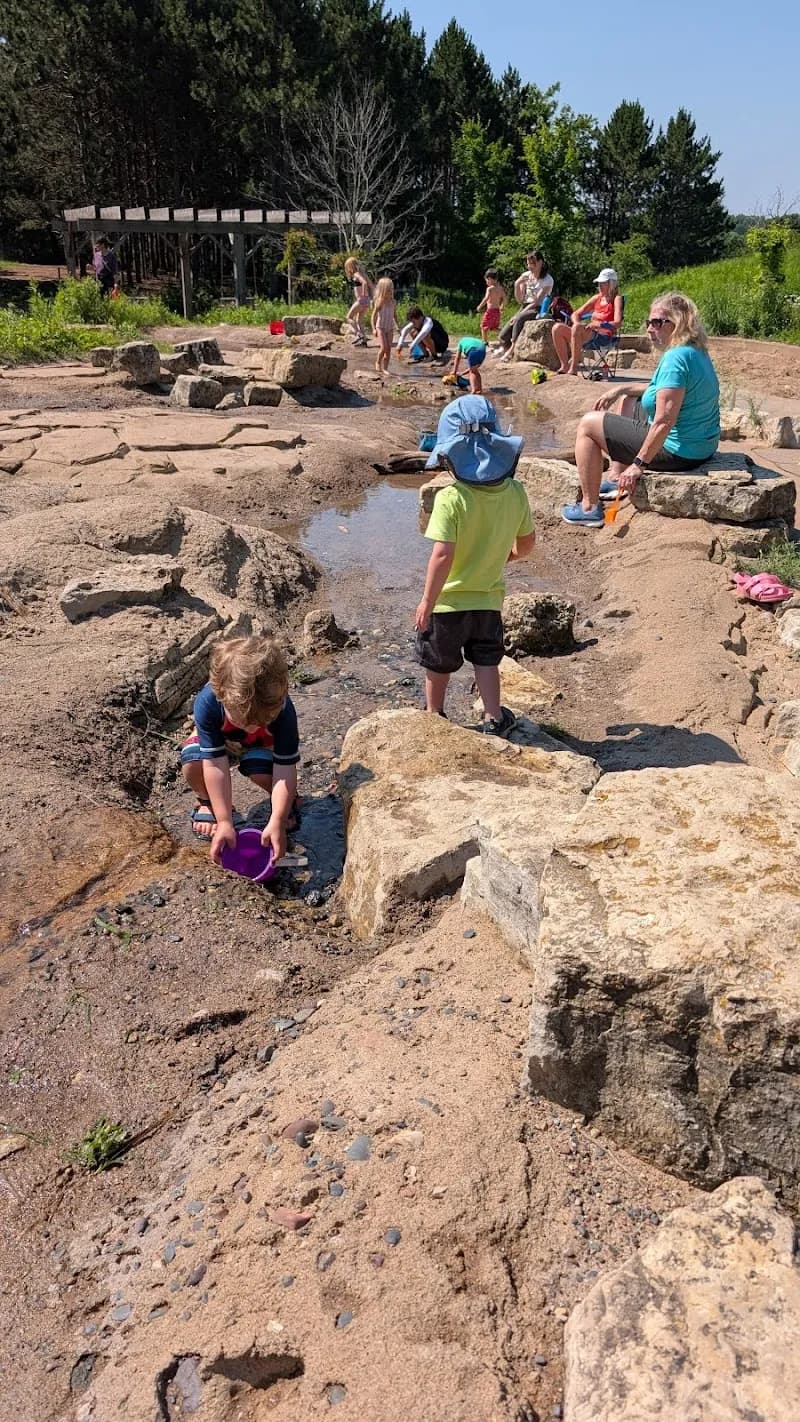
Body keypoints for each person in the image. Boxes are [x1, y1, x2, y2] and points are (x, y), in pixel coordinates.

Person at [414, 394, 535, 736]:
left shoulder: (451, 498)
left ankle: (435, 714)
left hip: (448, 603)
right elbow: (526, 545)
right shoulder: (516, 492)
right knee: (486, 660)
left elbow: (442, 556)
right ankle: (494, 717)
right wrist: (501, 557)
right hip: (488, 600)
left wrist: (427, 600)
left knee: (438, 663)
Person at [562, 291, 721, 526]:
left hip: (678, 452)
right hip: (701, 446)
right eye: (649, 322)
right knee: (628, 400)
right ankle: (615, 477)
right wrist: (621, 389)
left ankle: (589, 508)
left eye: (657, 322)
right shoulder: (695, 351)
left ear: (677, 323)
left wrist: (638, 464)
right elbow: (665, 389)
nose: (649, 329)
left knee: (588, 424)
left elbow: (664, 421)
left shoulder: (675, 358)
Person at [180, 635, 300, 863]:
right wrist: (225, 821)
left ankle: (286, 804)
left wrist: (277, 820)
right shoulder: (208, 703)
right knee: (193, 760)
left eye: (263, 720)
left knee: (260, 770)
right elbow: (215, 764)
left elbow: (285, 769)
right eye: (244, 721)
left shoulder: (283, 710)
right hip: (223, 742)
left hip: (264, 744)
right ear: (221, 695)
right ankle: (206, 802)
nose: (254, 726)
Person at [553, 267, 622, 376]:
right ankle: (564, 365)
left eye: (603, 283)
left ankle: (574, 368)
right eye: (599, 283)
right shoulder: (596, 298)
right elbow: (575, 314)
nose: (599, 286)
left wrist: (598, 324)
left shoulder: (616, 299)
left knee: (576, 329)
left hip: (604, 337)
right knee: (557, 328)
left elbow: (618, 323)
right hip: (589, 334)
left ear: (611, 284)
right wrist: (576, 323)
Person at [495, 251, 554, 361]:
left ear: (540, 262)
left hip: (539, 308)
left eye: (533, 264)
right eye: (528, 264)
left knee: (519, 319)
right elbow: (520, 300)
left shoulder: (548, 280)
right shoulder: (526, 276)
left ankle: (511, 349)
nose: (530, 267)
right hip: (525, 305)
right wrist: (517, 285)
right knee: (503, 333)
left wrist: (519, 314)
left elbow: (537, 301)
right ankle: (504, 347)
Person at [344, 256, 373, 346]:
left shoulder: (356, 274)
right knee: (359, 320)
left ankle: (358, 334)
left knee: (348, 317)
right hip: (367, 300)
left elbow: (364, 283)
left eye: (348, 267)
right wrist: (372, 297)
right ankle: (363, 341)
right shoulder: (363, 273)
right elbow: (371, 285)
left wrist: (363, 294)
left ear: (351, 266)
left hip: (361, 300)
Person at [372, 276, 397, 375]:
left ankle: (385, 368)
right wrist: (374, 328)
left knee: (389, 349)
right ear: (383, 290)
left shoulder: (393, 302)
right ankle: (378, 362)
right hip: (380, 327)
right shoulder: (379, 302)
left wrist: (397, 326)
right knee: (384, 347)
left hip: (390, 327)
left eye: (391, 289)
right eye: (389, 289)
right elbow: (373, 316)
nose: (391, 291)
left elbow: (395, 315)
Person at [477, 269, 506, 341]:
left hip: (490, 311)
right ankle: (505, 334)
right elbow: (505, 299)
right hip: (497, 312)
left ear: (489, 279)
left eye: (486, 280)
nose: (486, 282)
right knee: (494, 328)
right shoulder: (500, 288)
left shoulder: (489, 289)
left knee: (483, 326)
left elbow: (486, 298)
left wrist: (480, 306)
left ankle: (484, 341)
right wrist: (502, 306)